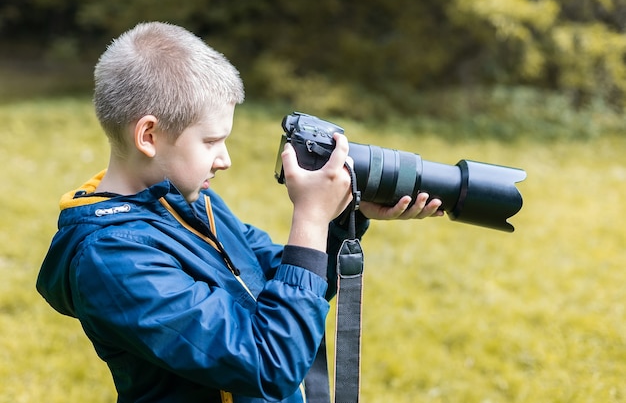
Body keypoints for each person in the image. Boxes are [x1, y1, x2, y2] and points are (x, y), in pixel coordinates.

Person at [36, 22, 442, 403]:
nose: (225, 159)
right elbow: (269, 366)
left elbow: (282, 284)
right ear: (149, 135)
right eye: (211, 141)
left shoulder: (190, 201)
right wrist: (310, 220)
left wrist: (338, 220)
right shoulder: (111, 259)